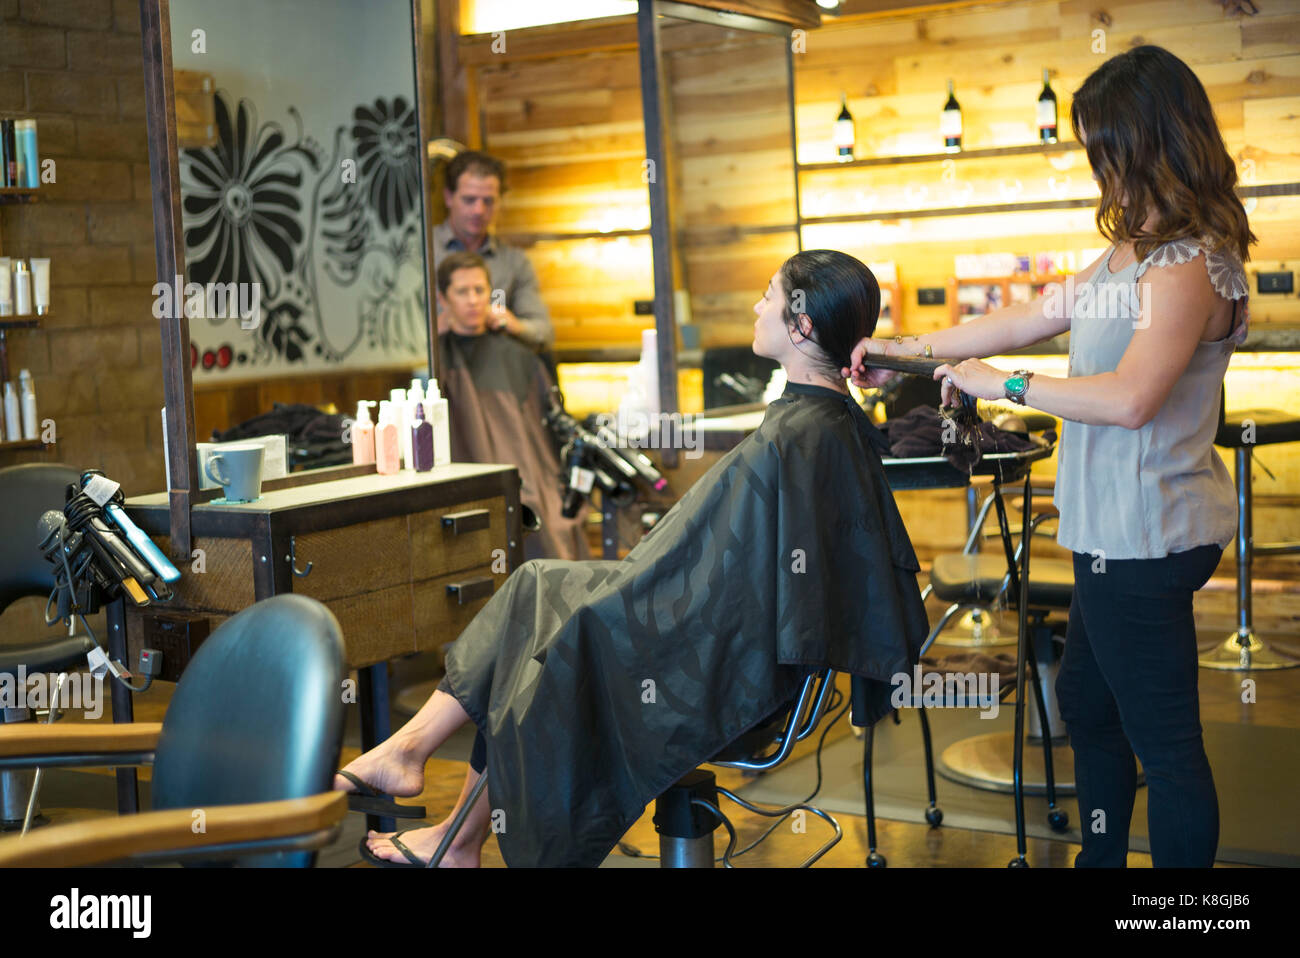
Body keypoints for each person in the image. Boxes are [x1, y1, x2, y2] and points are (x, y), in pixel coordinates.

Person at [337, 249, 930, 867]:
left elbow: (711, 592)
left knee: (542, 637)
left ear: (802, 325)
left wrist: (616, 597)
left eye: (769, 297)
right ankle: (430, 791)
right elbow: (711, 577)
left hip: (724, 675)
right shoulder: (823, 425)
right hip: (731, 648)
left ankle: (445, 819)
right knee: (535, 588)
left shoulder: (798, 435)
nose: (758, 307)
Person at [847, 46, 1252, 868]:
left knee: (1163, 744)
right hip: (1110, 531)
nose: (1099, 165)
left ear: (1150, 143)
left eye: (1106, 147)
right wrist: (903, 353)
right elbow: (1019, 322)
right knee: (1090, 711)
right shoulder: (1124, 256)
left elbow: (1131, 397)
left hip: (1151, 535)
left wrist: (1010, 386)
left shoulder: (1189, 266)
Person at [435, 249, 588, 561]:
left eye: (479, 290)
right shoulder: (435, 357)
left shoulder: (518, 357)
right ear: (443, 297)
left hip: (526, 474)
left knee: (545, 515)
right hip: (466, 478)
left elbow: (539, 436)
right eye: (462, 292)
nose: (473, 299)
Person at [433, 150, 554, 354]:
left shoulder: (514, 263)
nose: (479, 210)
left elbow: (544, 333)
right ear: (448, 197)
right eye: (469, 200)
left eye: (488, 201)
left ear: (499, 202)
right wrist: (438, 327)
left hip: (494, 372)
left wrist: (511, 324)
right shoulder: (420, 253)